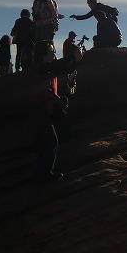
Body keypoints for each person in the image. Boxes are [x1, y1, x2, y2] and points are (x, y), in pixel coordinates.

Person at [30, 39, 84, 183]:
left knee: (45, 141)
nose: (54, 52)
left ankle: (42, 172)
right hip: (40, 109)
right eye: (51, 50)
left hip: (45, 108)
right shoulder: (40, 67)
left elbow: (64, 68)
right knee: (51, 141)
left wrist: (77, 61)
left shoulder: (47, 67)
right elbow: (59, 64)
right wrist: (73, 56)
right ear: (43, 54)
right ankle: (45, 174)